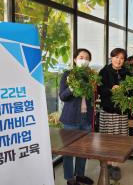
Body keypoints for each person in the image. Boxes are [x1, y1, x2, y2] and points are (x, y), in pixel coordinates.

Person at [59, 49, 95, 185]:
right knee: (68, 151)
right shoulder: (67, 75)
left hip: (86, 118)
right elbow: (62, 96)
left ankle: (80, 175)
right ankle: (70, 179)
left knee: (83, 149)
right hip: (70, 119)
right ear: (75, 59)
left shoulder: (90, 76)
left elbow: (92, 97)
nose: (84, 60)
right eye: (81, 57)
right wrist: (72, 88)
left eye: (87, 58)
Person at [98, 48, 132, 179]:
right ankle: (107, 164)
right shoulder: (104, 71)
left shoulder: (127, 72)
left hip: (121, 111)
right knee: (107, 138)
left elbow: (131, 90)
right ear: (111, 57)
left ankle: (116, 165)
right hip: (108, 110)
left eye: (122, 58)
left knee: (120, 138)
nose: (119, 60)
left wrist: (128, 91)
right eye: (116, 57)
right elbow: (100, 89)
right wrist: (111, 89)